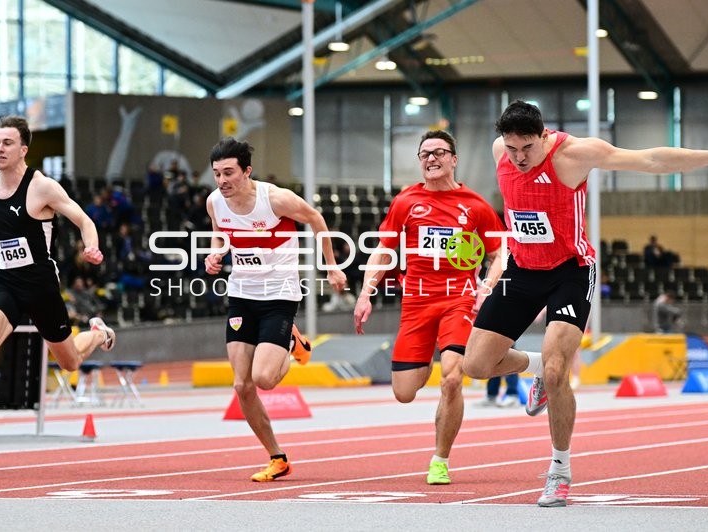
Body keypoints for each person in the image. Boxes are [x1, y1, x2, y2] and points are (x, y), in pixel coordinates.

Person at [463, 100, 708, 507]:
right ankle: (538, 366)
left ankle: (559, 470)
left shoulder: (575, 154)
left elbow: (652, 159)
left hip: (570, 271)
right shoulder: (499, 151)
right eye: (512, 149)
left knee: (561, 368)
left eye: (527, 148)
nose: (519, 158)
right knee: (475, 365)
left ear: (544, 136)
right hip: (523, 272)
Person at [0, 115, 115, 453]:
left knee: (69, 361)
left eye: (7, 143)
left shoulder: (43, 187)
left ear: (23, 149)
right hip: (4, 281)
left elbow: (83, 219)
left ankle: (98, 333)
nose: (0, 148)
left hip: (40, 286)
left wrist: (91, 245)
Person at [353, 130, 507, 486]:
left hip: (459, 299)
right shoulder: (406, 202)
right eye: (424, 154)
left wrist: (486, 286)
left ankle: (440, 460)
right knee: (404, 392)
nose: (431, 159)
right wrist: (366, 292)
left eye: (439, 152)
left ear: (454, 159)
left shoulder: (475, 205)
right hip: (417, 303)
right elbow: (383, 249)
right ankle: (517, 360)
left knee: (452, 378)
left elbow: (501, 253)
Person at [203, 137, 346, 482]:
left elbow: (316, 220)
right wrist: (215, 253)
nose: (222, 181)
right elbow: (219, 234)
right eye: (217, 174)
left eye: (229, 173)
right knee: (242, 385)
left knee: (264, 378)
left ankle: (292, 342)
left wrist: (331, 266)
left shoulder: (275, 199)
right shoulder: (214, 202)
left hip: (279, 293)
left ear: (247, 171)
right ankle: (277, 457)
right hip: (241, 293)